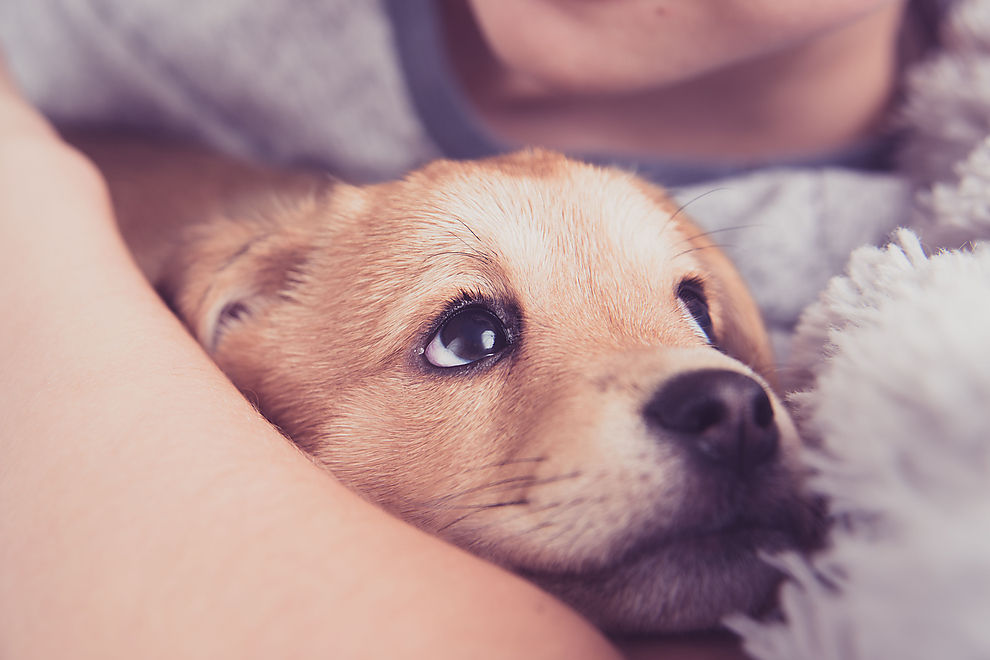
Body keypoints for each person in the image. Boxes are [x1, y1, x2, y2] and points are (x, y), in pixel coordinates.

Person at [0, 1, 932, 657]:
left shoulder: (934, 288)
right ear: (225, 336)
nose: (717, 395)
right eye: (467, 336)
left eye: (693, 309)